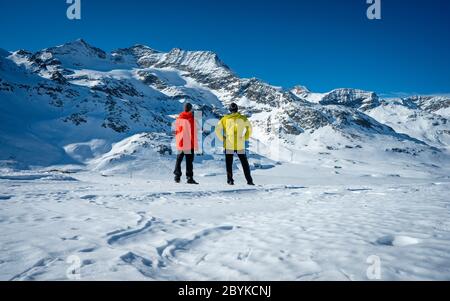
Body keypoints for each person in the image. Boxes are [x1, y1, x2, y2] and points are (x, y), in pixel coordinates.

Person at [215, 103, 255, 186]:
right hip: (240, 145)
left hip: (229, 144)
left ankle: (230, 180)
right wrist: (244, 138)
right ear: (237, 109)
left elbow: (217, 130)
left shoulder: (224, 119)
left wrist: (223, 139)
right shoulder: (243, 118)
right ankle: (249, 181)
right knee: (244, 163)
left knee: (229, 164)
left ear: (230, 110)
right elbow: (250, 129)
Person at [174, 103, 199, 184]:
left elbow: (176, 131)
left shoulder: (179, 118)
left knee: (179, 160)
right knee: (189, 161)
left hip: (181, 143)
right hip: (189, 143)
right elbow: (193, 132)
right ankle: (189, 178)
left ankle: (177, 176)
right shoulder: (191, 119)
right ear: (190, 109)